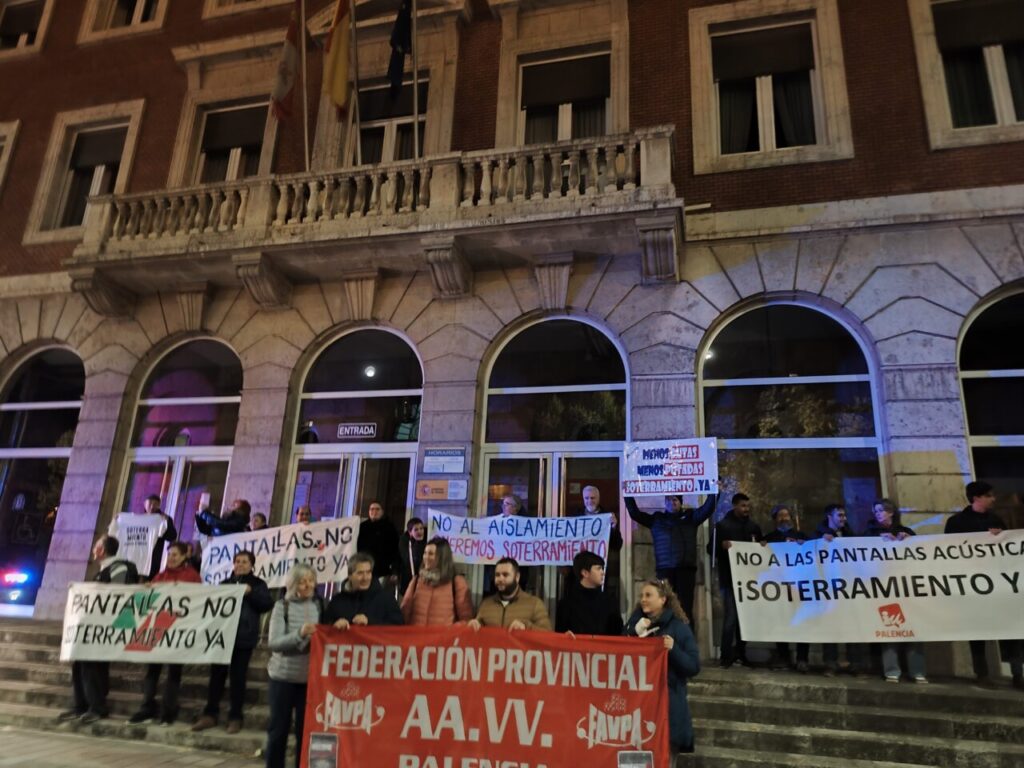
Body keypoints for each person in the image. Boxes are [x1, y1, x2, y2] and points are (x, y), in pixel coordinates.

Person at [58, 535, 139, 724]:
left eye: (96, 546)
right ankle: (81, 705)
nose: (94, 549)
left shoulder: (120, 567)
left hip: (105, 628)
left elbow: (116, 596)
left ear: (102, 550)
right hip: (93, 628)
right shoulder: (104, 570)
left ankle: (97, 707)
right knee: (80, 664)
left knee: (93, 667)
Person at [192, 551, 273, 733]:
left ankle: (235, 717)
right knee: (216, 677)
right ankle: (210, 714)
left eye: (244, 562)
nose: (240, 564)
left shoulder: (258, 584)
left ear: (252, 565)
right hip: (221, 637)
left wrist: (250, 593)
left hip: (243, 637)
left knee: (238, 678)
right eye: (237, 561)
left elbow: (267, 604)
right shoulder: (224, 584)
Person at [945, 481, 1013, 687]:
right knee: (977, 630)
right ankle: (981, 673)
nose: (993, 499)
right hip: (971, 584)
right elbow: (947, 552)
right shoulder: (956, 522)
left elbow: (1010, 547)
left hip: (998, 582)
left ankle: (1016, 671)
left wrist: (1000, 537)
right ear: (977, 498)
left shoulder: (997, 520)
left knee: (1009, 627)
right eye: (989, 495)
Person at [624, 579, 700, 755]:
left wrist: (673, 650)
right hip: (640, 710)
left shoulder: (678, 628)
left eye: (648, 595)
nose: (643, 599)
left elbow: (693, 666)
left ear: (663, 599)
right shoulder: (633, 627)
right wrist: (633, 635)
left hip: (668, 709)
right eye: (642, 595)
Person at [128, 542, 201, 725]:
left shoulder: (192, 577)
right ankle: (147, 707)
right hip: (158, 629)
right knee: (152, 671)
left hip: (178, 630)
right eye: (169, 555)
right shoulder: (160, 576)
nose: (171, 558)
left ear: (185, 556)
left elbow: (198, 601)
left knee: (174, 672)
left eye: (175, 555)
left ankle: (168, 712)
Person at [625, 492, 717, 634]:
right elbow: (635, 514)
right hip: (664, 570)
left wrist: (713, 490)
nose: (671, 502)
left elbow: (708, 509)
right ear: (664, 503)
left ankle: (687, 645)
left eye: (675, 499)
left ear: (680, 502)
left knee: (685, 609)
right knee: (664, 609)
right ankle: (665, 645)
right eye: (668, 500)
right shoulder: (657, 519)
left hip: (685, 570)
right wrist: (627, 493)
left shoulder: (691, 517)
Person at [865, 499, 927, 684]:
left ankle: (917, 671)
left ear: (891, 512)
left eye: (881, 510)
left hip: (907, 587)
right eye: (875, 511)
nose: (878, 514)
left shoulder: (906, 532)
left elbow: (919, 554)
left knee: (913, 629)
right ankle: (892, 670)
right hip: (884, 587)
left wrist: (907, 542)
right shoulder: (869, 533)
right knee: (889, 627)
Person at [266, 564, 320, 768]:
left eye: (310, 580)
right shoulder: (282, 606)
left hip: (308, 680)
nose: (307, 584)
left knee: (304, 733)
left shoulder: (318, 606)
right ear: (293, 583)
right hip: (283, 679)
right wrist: (300, 634)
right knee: (278, 731)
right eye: (302, 580)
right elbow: (274, 643)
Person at [711, 493, 761, 667]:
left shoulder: (753, 527)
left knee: (744, 619)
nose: (746, 509)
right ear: (734, 506)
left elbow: (760, 549)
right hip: (730, 579)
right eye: (743, 506)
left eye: (747, 506)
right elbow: (711, 549)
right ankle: (726, 655)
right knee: (731, 617)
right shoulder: (722, 526)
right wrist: (721, 546)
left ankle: (741, 652)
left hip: (749, 581)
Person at [761, 505, 809, 672]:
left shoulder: (801, 536)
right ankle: (784, 657)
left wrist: (805, 546)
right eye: (780, 516)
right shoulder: (769, 538)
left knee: (802, 622)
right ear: (775, 519)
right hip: (779, 588)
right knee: (781, 622)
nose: (784, 518)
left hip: (798, 586)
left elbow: (812, 556)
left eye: (786, 515)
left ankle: (802, 658)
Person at [814, 504, 860, 676]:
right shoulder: (818, 536)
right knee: (831, 627)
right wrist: (819, 543)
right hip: (829, 590)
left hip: (849, 588)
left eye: (844, 515)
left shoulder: (850, 535)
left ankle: (854, 662)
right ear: (829, 516)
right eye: (840, 515)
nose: (844, 518)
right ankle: (830, 663)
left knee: (852, 626)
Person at [400, 537, 474, 626]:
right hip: (416, 638)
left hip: (443, 639)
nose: (426, 557)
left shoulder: (457, 583)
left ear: (442, 557)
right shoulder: (416, 581)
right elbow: (404, 614)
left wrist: (450, 632)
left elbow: (466, 620)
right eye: (425, 553)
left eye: (431, 554)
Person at [569, 486, 623, 600]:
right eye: (586, 498)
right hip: (579, 567)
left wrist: (613, 528)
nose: (589, 501)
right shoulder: (575, 516)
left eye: (593, 498)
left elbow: (617, 545)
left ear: (598, 498)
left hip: (598, 567)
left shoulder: (607, 517)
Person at [469, 557, 551, 632]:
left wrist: (526, 627)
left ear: (517, 577)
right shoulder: (486, 604)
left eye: (505, 575)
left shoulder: (535, 604)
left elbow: (548, 635)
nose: (500, 579)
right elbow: (477, 626)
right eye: (497, 575)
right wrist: (474, 624)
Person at [324, 552, 403, 629]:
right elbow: (323, 629)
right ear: (350, 576)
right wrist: (334, 626)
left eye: (368, 572)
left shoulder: (386, 599)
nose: (365, 578)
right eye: (360, 573)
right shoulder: (337, 601)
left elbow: (399, 627)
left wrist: (370, 622)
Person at [108, 493, 177, 581]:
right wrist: (116, 519)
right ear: (145, 504)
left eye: (155, 504)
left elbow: (172, 536)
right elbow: (111, 534)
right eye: (150, 504)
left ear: (159, 506)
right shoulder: (131, 518)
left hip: (151, 561)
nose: (152, 507)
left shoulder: (161, 519)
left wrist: (166, 522)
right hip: (130, 559)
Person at [555, 551, 623, 636]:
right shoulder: (566, 604)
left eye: (602, 568)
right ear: (585, 573)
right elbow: (559, 636)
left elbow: (618, 634)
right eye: (598, 568)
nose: (602, 572)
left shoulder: (610, 602)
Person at [485, 495, 530, 592]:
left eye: (507, 504)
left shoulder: (525, 525)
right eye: (503, 504)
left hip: (518, 570)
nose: (503, 506)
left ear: (515, 508)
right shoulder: (498, 523)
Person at [356, 501, 400, 583]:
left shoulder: (389, 527)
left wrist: (394, 569)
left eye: (377, 509)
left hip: (382, 570)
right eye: (372, 509)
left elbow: (395, 549)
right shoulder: (362, 527)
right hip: (364, 568)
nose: (374, 512)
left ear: (382, 512)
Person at [397, 517, 426, 594]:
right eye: (416, 530)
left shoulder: (427, 541)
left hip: (424, 580)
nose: (420, 531)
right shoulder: (404, 543)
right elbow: (406, 560)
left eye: (421, 528)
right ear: (410, 532)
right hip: (408, 579)